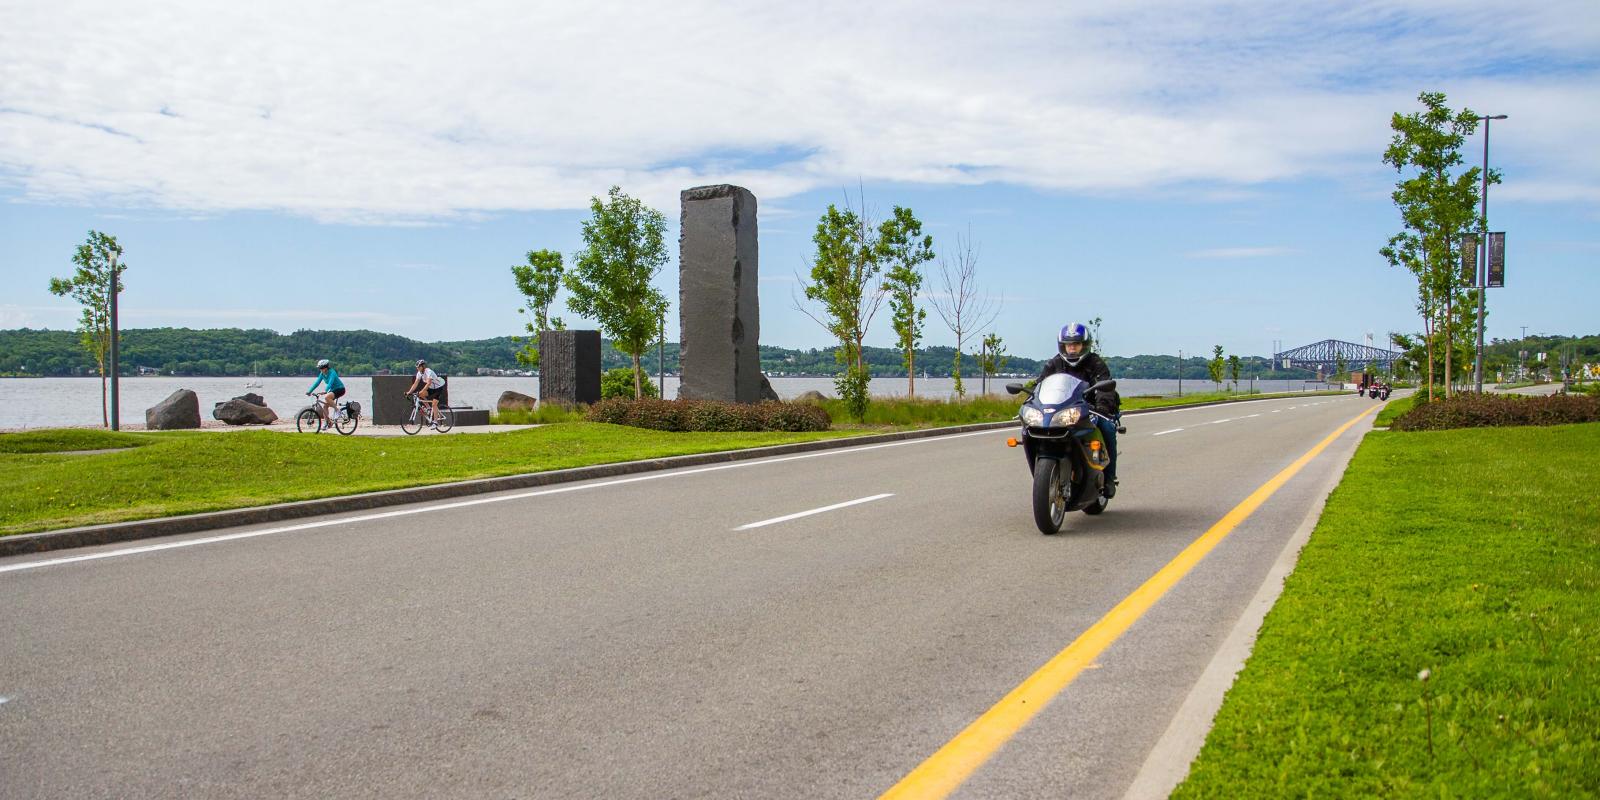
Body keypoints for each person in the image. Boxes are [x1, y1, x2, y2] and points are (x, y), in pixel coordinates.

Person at [1033, 322, 1121, 494]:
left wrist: (1102, 407)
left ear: (1084, 345)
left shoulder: (1095, 363)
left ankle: (1110, 477)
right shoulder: (1055, 363)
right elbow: (1040, 385)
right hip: (1061, 411)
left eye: (1076, 344)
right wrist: (1031, 400)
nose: (1072, 348)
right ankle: (1043, 475)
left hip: (1090, 409)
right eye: (1068, 345)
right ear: (1063, 345)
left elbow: (1105, 387)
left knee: (1108, 428)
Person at [305, 358, 345, 429]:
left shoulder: (332, 372)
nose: (320, 369)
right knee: (325, 407)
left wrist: (326, 391)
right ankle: (328, 423)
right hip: (332, 390)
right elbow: (317, 383)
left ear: (326, 367)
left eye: (321, 368)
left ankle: (337, 411)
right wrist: (309, 391)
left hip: (340, 389)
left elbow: (330, 382)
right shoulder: (322, 374)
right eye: (319, 368)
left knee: (327, 397)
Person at [405, 359, 447, 428]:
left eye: (418, 367)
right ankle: (428, 408)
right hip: (431, 388)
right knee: (419, 395)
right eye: (417, 367)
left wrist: (422, 391)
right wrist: (409, 392)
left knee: (434, 404)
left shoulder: (428, 371)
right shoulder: (419, 373)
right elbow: (415, 383)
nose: (417, 368)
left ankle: (435, 423)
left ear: (423, 366)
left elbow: (428, 383)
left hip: (438, 387)